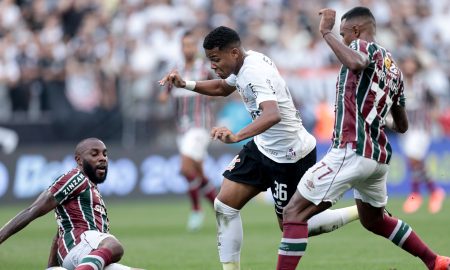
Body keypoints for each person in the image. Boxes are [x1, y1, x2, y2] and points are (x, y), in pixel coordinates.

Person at [160, 26, 359, 270]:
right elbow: (223, 88)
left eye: (215, 59)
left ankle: (360, 210)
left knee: (291, 223)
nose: (212, 65)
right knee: (224, 205)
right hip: (263, 146)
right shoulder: (244, 62)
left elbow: (272, 114)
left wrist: (237, 136)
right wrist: (186, 84)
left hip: (290, 155)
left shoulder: (254, 71)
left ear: (233, 52)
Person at [275, 7, 450, 270]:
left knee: (293, 213)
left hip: (351, 149)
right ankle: (434, 260)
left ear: (356, 30)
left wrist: (326, 32)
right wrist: (375, 118)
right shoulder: (395, 69)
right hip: (377, 157)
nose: (343, 41)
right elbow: (401, 125)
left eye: (344, 34)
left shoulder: (362, 47)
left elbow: (357, 61)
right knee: (375, 220)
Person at [0, 138, 142, 270]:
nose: (102, 158)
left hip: (87, 255)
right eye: (94, 154)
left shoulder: (89, 187)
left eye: (105, 154)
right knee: (113, 245)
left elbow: (60, 231)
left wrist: (51, 267)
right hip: (79, 245)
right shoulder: (75, 178)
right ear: (79, 160)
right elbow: (32, 210)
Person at [158, 30, 217, 231]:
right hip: (182, 128)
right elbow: (164, 94)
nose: (188, 49)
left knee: (185, 168)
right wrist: (164, 94)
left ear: (196, 47)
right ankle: (220, 208)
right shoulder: (175, 69)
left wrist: (210, 96)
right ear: (181, 48)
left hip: (200, 126)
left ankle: (196, 209)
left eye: (191, 45)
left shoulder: (205, 69)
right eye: (185, 45)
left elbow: (219, 87)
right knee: (197, 172)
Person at [397, 55, 446, 214]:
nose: (409, 66)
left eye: (412, 63)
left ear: (416, 66)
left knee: (413, 158)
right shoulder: (400, 85)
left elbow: (435, 100)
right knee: (414, 162)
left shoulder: (422, 85)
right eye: (407, 63)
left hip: (421, 129)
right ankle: (434, 191)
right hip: (405, 129)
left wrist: (435, 113)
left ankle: (416, 194)